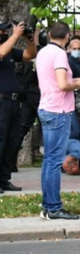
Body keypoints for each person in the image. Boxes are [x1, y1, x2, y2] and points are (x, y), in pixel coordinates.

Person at [36, 21, 80, 219]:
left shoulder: (43, 52)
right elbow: (63, 84)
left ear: (49, 34)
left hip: (46, 107)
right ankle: (54, 207)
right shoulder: (59, 55)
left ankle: (47, 206)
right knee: (55, 161)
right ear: (67, 37)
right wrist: (78, 84)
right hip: (59, 110)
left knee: (49, 160)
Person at [0, 21, 36, 193]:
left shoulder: (9, 50)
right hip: (1, 101)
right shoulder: (3, 50)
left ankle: (4, 179)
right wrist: (15, 36)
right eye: (2, 30)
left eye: (6, 30)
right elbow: (1, 52)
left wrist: (28, 39)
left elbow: (30, 55)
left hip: (13, 102)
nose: (5, 32)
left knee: (11, 141)